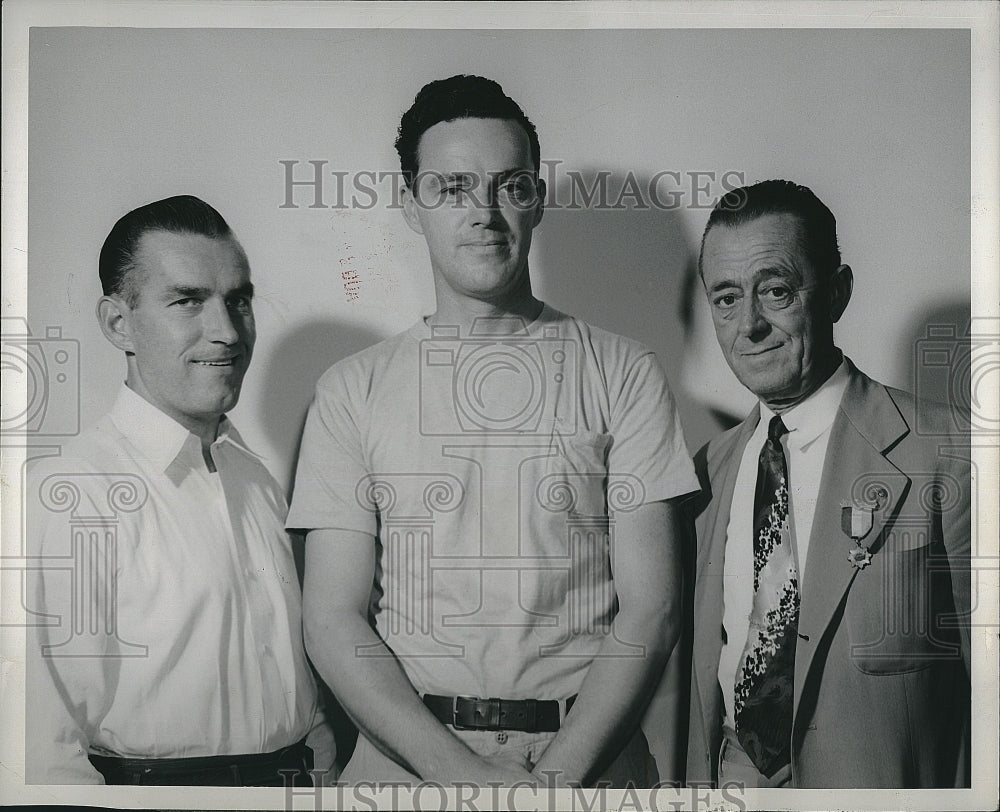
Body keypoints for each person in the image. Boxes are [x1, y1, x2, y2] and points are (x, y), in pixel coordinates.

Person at [288, 75, 699, 788]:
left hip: (590, 765)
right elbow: (331, 620)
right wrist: (466, 778)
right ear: (412, 204)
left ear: (536, 198)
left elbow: (652, 607)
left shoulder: (624, 371)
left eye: (508, 185)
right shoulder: (351, 390)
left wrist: (554, 781)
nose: (483, 212)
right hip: (405, 767)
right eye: (452, 188)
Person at [26, 195, 335, 785]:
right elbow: (41, 756)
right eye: (187, 301)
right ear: (119, 324)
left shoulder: (259, 483)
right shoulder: (67, 496)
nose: (226, 331)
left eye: (238, 300)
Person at [686, 179, 971, 788]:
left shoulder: (950, 451)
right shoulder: (707, 471)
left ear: (837, 293)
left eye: (777, 291)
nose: (750, 325)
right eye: (727, 299)